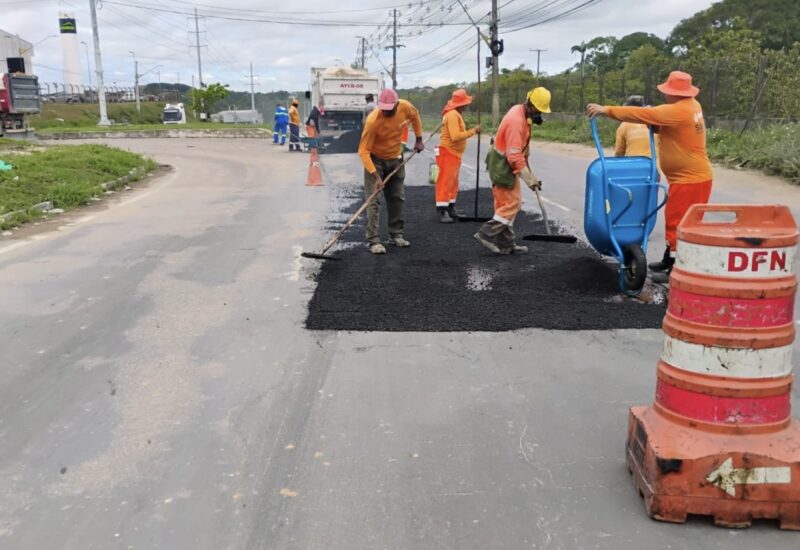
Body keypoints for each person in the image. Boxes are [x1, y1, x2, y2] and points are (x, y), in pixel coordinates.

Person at [588, 71, 713, 283]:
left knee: (677, 223)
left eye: (667, 92)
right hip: (691, 177)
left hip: (690, 179)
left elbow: (641, 115)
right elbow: (665, 126)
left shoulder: (679, 110)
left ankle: (675, 269)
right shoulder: (693, 105)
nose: (665, 95)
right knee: (678, 221)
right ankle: (669, 258)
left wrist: (605, 110)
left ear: (675, 94)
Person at [474, 87, 551, 255]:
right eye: (538, 110)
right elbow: (514, 157)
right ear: (530, 104)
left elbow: (520, 148)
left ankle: (506, 244)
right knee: (512, 204)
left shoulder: (521, 111)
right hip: (503, 165)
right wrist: (530, 180)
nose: (540, 114)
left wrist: (526, 157)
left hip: (503, 161)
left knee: (505, 205)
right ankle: (486, 234)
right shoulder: (517, 122)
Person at [357, 88, 424, 255]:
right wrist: (375, 175)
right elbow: (363, 151)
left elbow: (415, 117)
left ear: (396, 104)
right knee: (373, 200)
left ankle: (396, 234)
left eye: (390, 109)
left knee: (397, 197)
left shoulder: (406, 107)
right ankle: (373, 240)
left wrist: (419, 139)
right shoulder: (373, 121)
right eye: (384, 109)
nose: (386, 112)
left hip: (396, 158)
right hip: (375, 159)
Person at [435, 88, 481, 223]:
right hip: (447, 152)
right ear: (461, 104)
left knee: (453, 183)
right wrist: (474, 131)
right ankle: (442, 211)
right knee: (445, 182)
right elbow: (455, 137)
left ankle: (450, 207)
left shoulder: (456, 114)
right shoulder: (452, 115)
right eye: (466, 103)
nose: (467, 105)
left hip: (454, 153)